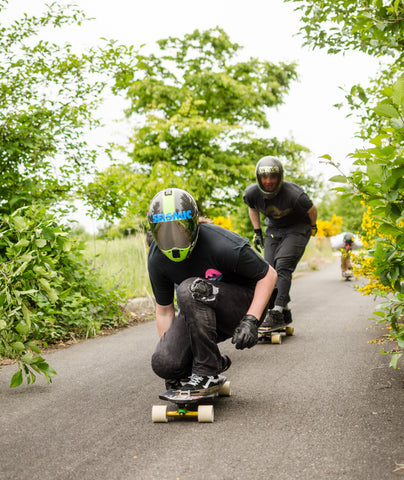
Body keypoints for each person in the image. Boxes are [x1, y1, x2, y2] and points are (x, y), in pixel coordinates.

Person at [147, 187, 277, 392]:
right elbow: (164, 311)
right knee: (164, 363)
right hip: (199, 311)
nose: (173, 240)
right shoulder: (157, 258)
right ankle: (213, 362)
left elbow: (269, 274)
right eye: (165, 232)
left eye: (178, 229)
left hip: (244, 307)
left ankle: (206, 373)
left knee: (189, 288)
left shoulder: (222, 243)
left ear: (191, 224)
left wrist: (251, 320)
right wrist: (176, 363)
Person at [243, 156, 317, 329]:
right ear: (258, 178)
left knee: (283, 265)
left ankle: (275, 312)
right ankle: (284, 310)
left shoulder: (295, 194)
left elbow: (312, 209)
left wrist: (313, 227)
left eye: (273, 176)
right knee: (269, 270)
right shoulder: (252, 193)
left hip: (298, 227)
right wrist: (257, 232)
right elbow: (252, 208)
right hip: (274, 229)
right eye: (264, 177)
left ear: (280, 176)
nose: (268, 181)